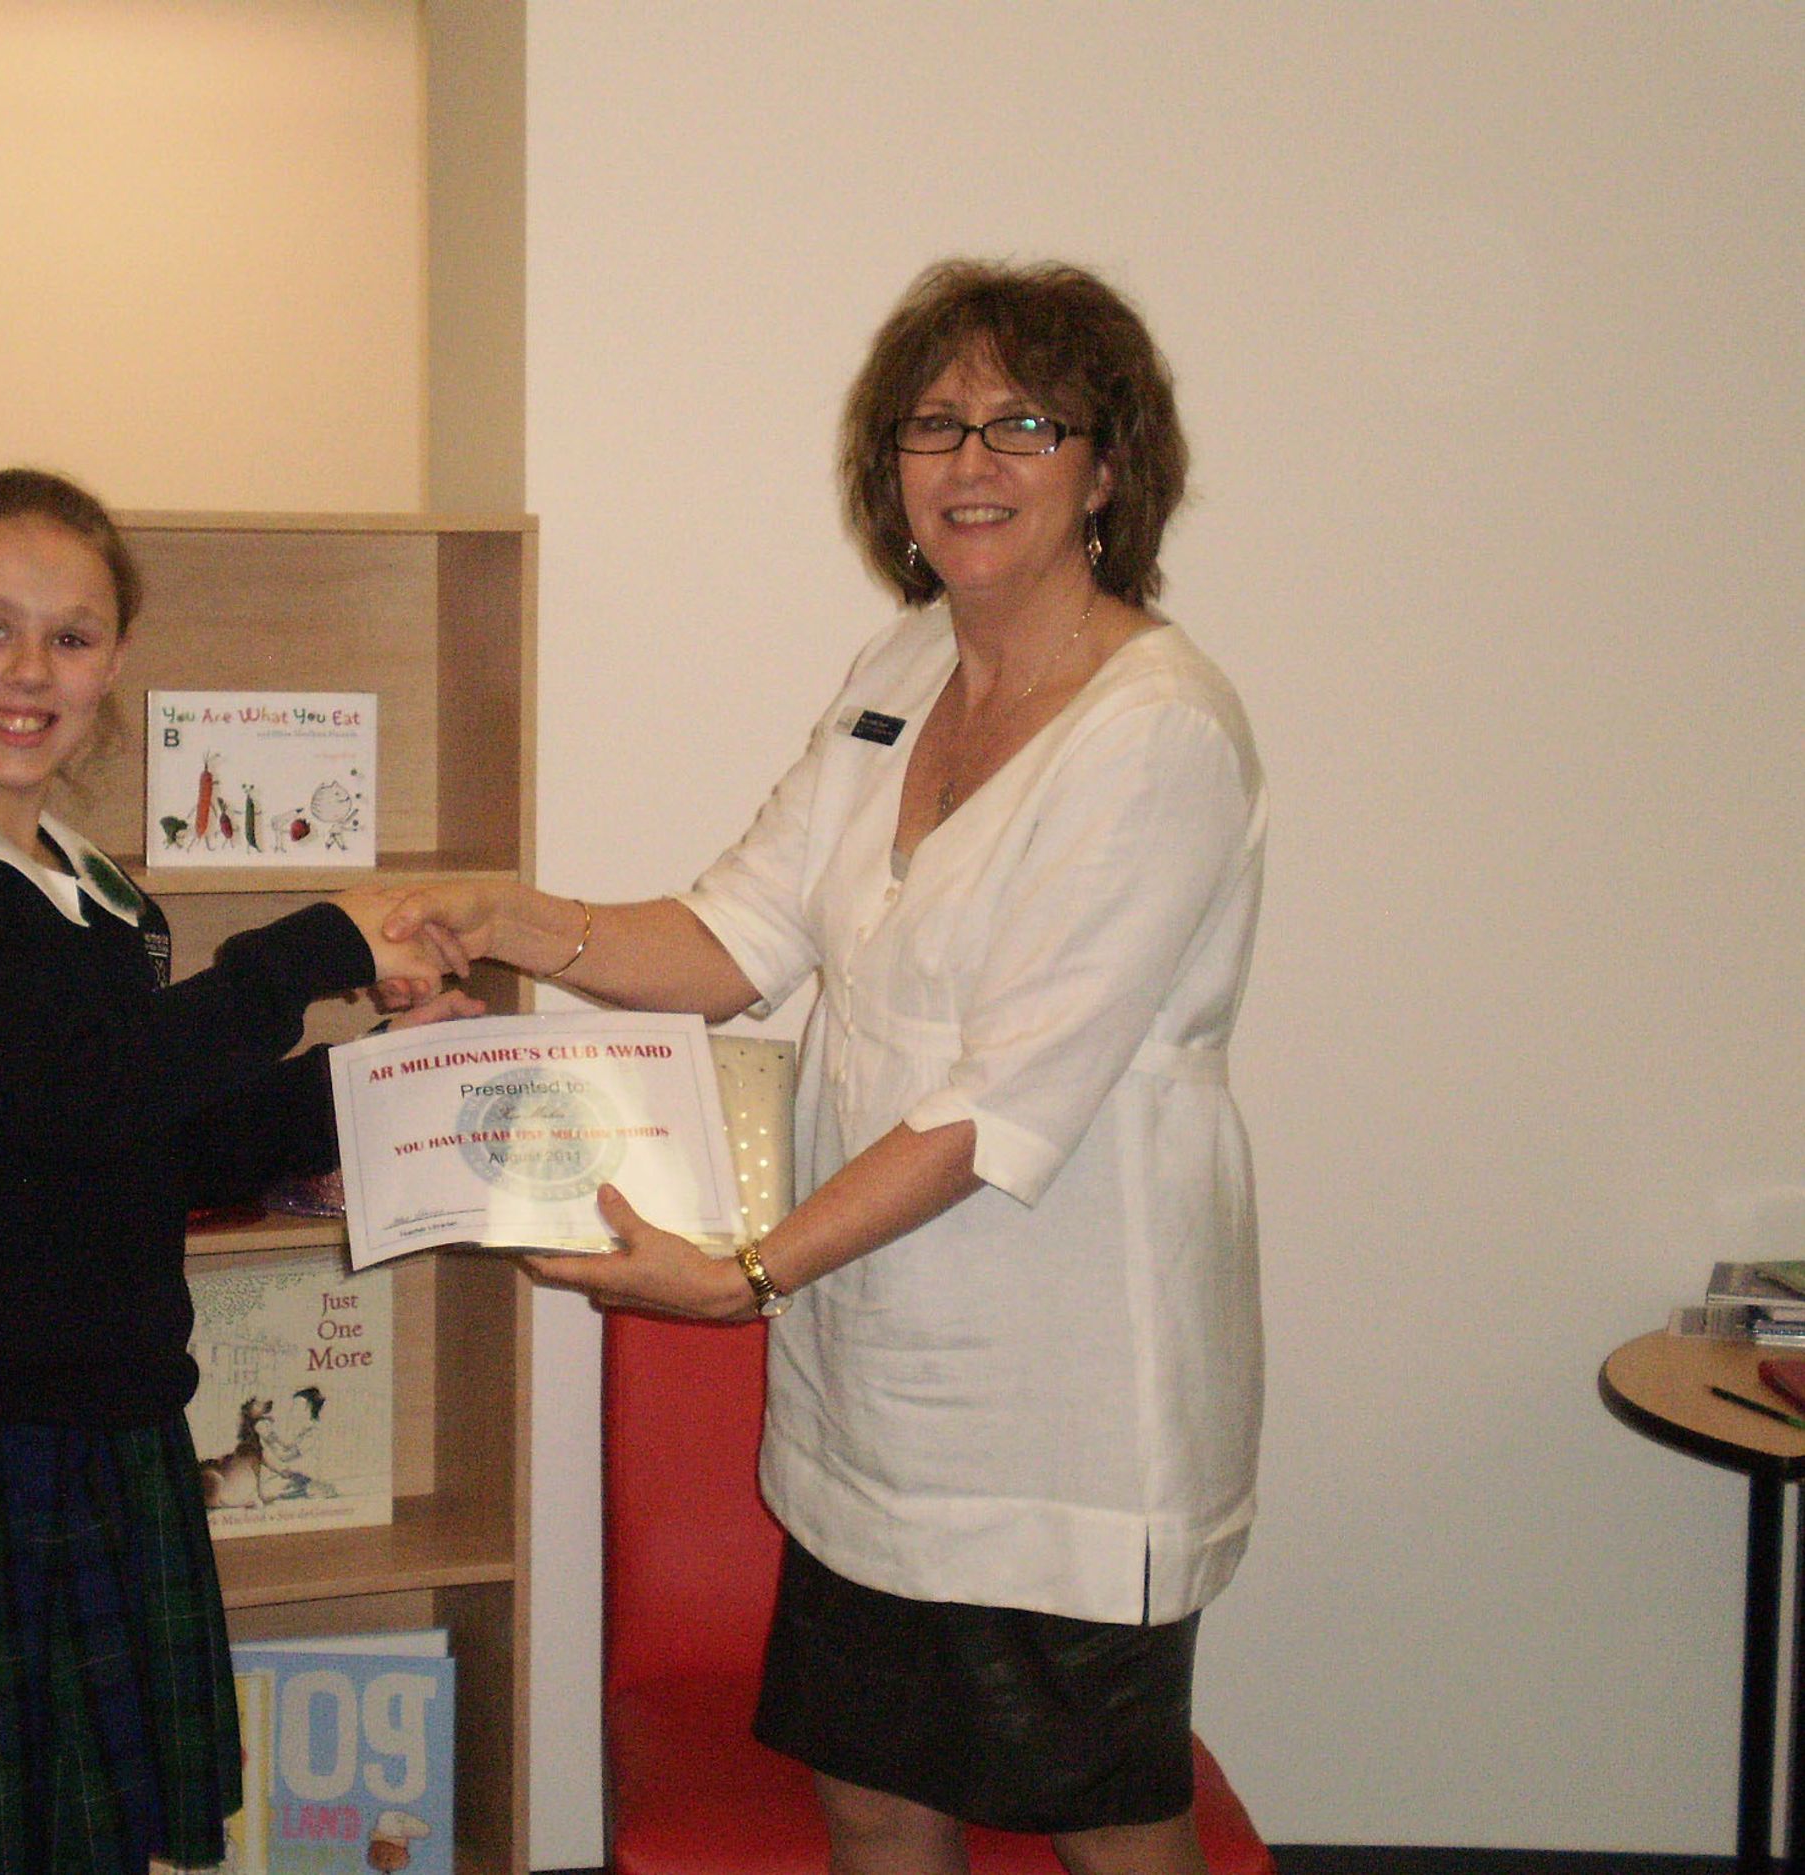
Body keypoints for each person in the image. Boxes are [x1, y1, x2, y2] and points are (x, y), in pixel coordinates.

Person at [384, 260, 1263, 1875]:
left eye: (1024, 423)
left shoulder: (1159, 733)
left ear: (1106, 469)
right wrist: (512, 917)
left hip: (1060, 1402)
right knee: (867, 1788)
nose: (972, 461)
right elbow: (737, 935)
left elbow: (1000, 1100)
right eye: (936, 424)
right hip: (873, 1389)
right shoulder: (902, 672)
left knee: (1105, 1818)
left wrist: (745, 1272)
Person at [0, 467, 468, 1875]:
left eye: (70, 637)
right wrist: (317, 942)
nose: (30, 672)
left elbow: (151, 1142)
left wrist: (380, 1075)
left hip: (100, 1428)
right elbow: (74, 1094)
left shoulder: (85, 886)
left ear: (115, 658)